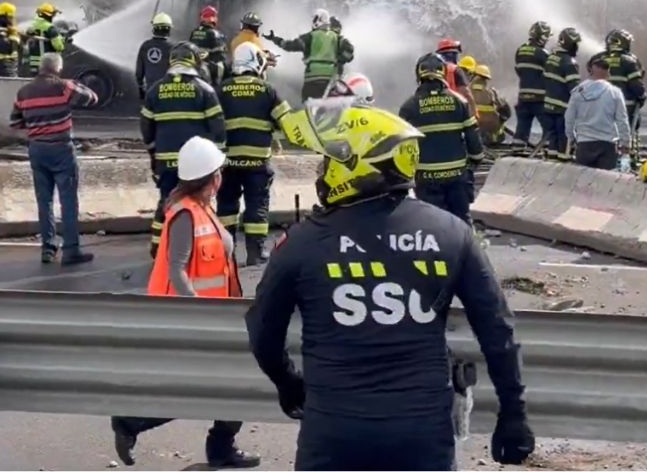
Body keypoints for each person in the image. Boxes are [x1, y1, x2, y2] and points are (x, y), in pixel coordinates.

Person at [244, 102, 535, 471]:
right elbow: (498, 332)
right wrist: (513, 412)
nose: (323, 171)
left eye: (329, 161)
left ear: (356, 164)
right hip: (422, 433)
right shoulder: (452, 233)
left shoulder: (300, 242)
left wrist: (287, 383)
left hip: (333, 432)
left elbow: (262, 333)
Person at [111, 137, 260, 470]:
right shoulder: (185, 214)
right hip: (193, 318)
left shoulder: (204, 207)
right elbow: (177, 268)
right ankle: (130, 421)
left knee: (234, 382)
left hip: (219, 315)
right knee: (202, 387)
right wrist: (199, 312)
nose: (222, 176)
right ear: (210, 177)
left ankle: (221, 446)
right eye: (219, 171)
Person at [9, 52, 99, 265]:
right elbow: (93, 98)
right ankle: (71, 251)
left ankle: (48, 249)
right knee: (68, 201)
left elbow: (15, 123)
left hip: (37, 150)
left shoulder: (24, 92)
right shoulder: (64, 87)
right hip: (61, 150)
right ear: (58, 68)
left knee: (44, 201)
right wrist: (75, 84)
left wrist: (36, 126)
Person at [141, 42, 227, 257]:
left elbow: (146, 127)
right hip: (197, 163)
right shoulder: (204, 89)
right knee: (199, 202)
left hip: (166, 159)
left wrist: (153, 153)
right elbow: (218, 126)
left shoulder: (155, 90)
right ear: (194, 61)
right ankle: (199, 246)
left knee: (166, 200)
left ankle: (158, 248)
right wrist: (218, 156)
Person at [217, 42, 292, 266]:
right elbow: (287, 123)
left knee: (227, 206)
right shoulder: (267, 90)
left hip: (228, 161)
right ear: (256, 62)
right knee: (257, 206)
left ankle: (225, 254)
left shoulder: (222, 89)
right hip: (258, 161)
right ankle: (255, 252)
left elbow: (210, 121)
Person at [398, 53, 484, 225]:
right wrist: (476, 159)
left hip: (426, 177)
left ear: (418, 75)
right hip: (457, 175)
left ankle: (437, 252)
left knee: (432, 225)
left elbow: (402, 147)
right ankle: (466, 250)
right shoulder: (459, 102)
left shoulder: (408, 107)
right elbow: (473, 137)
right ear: (443, 74)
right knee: (462, 222)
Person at [265, 8, 354, 101]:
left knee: (308, 106)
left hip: (312, 80)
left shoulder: (309, 37)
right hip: (331, 80)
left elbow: (288, 45)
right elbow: (350, 51)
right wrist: (339, 61)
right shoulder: (337, 38)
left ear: (318, 20)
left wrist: (274, 39)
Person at [564, 56, 631, 170]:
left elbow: (569, 117)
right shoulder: (615, 92)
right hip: (607, 145)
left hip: (584, 144)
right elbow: (622, 120)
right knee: (606, 182)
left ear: (590, 71)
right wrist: (625, 144)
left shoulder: (577, 92)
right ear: (608, 72)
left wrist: (571, 138)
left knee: (583, 183)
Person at [592, 28, 647, 136]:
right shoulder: (629, 61)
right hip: (625, 107)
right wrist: (642, 96)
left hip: (600, 105)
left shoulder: (598, 60)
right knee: (624, 135)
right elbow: (636, 85)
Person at [540, 27, 582, 161]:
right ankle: (564, 164)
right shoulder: (569, 63)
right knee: (565, 138)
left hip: (548, 106)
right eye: (576, 44)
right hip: (563, 108)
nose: (577, 47)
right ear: (571, 44)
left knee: (553, 137)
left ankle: (551, 164)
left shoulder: (551, 58)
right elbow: (574, 89)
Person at [513, 21, 551, 148]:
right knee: (549, 128)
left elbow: (518, 70)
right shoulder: (543, 54)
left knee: (522, 126)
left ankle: (517, 150)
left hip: (523, 97)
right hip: (539, 99)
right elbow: (551, 75)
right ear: (543, 37)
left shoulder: (520, 50)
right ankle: (547, 151)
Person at [469, 64, 512, 146]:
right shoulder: (491, 92)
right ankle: (495, 136)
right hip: (491, 126)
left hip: (474, 125)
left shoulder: (467, 91)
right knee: (504, 113)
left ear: (474, 75)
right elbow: (504, 110)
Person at [135, 13, 174, 100]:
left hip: (150, 91)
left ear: (154, 28)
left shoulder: (145, 46)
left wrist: (141, 89)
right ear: (168, 30)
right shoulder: (173, 48)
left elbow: (139, 72)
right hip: (168, 93)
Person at [22, 3, 66, 76]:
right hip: (47, 66)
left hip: (33, 66)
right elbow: (59, 46)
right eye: (54, 14)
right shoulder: (50, 28)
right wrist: (62, 40)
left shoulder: (31, 26)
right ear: (49, 15)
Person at [190, 5, 229, 86]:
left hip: (194, 67)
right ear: (213, 18)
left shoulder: (194, 32)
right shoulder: (215, 34)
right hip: (209, 70)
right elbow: (221, 56)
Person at [0, 3, 22, 77]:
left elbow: (19, 50)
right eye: (11, 17)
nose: (13, 20)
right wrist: (13, 36)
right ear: (4, 18)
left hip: (10, 75)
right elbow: (7, 49)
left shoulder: (7, 32)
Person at [435, 38, 474, 104]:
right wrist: (474, 113)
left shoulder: (433, 70)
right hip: (455, 107)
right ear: (452, 54)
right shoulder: (456, 70)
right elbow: (466, 94)